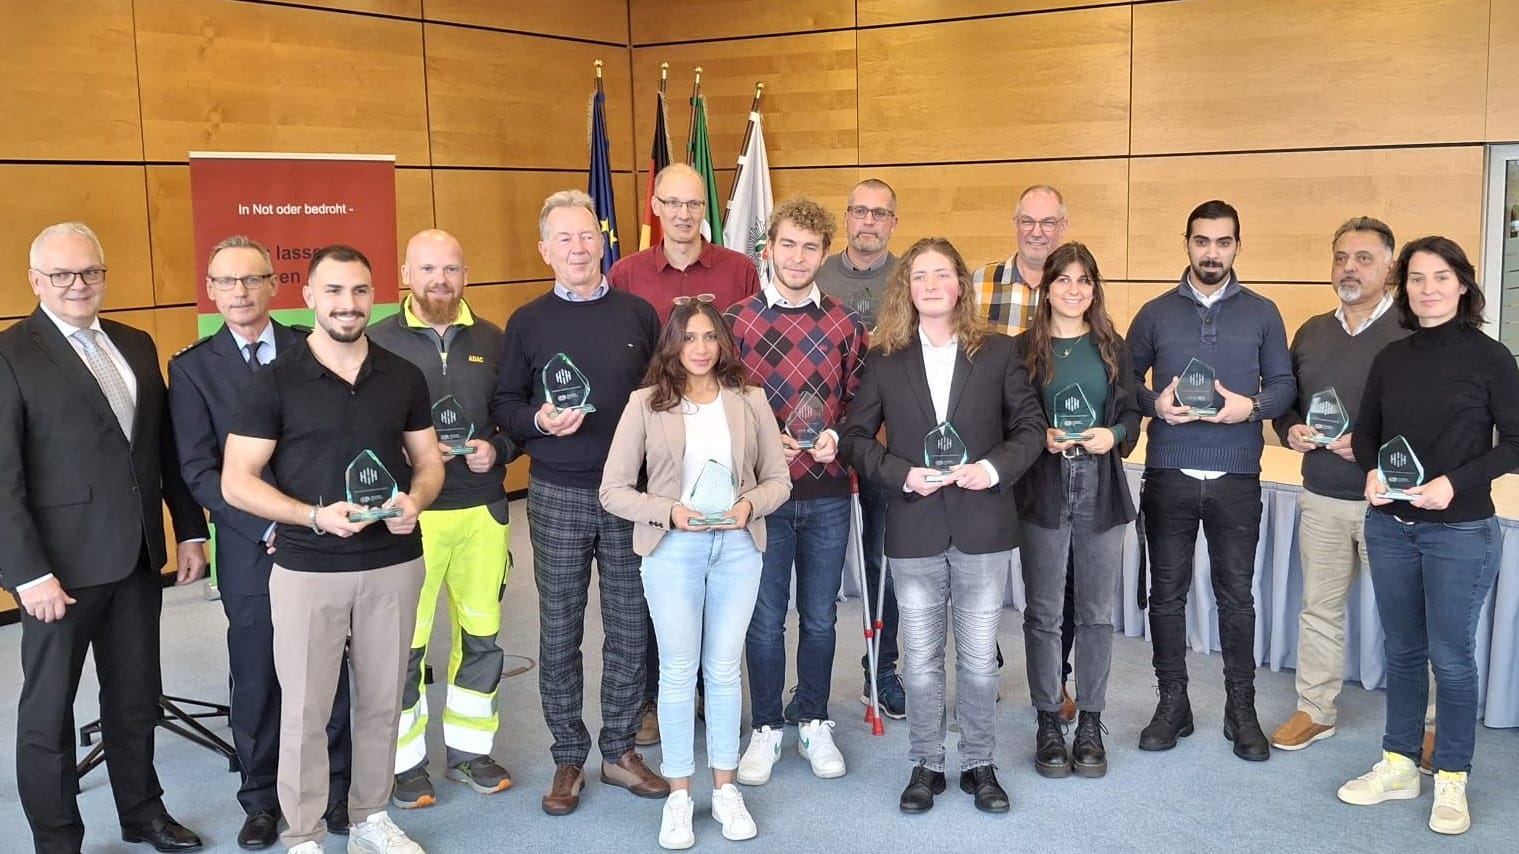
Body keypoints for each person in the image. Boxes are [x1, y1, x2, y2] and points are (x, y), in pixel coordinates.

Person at [222, 244, 444, 854]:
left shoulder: (402, 374)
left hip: (393, 564)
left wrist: (416, 500)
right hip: (306, 567)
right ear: (310, 298)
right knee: (305, 712)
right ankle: (304, 834)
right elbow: (235, 481)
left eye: (361, 291)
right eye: (336, 292)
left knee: (380, 702)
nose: (350, 304)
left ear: (375, 296)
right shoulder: (274, 381)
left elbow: (427, 462)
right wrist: (312, 516)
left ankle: (370, 816)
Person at [1, 222, 209, 854]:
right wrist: (26, 573)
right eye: (61, 275)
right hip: (57, 573)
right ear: (36, 281)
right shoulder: (11, 354)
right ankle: (58, 837)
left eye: (90, 272)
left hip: (139, 559)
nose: (77, 285)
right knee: (48, 716)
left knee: (134, 697)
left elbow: (162, 451)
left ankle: (142, 812)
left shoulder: (136, 343)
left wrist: (191, 532)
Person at [839, 237, 1045, 815]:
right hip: (915, 525)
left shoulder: (1000, 354)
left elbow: (1029, 430)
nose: (931, 285)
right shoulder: (884, 359)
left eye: (942, 274)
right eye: (920, 276)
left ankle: (980, 763)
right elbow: (855, 439)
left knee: (980, 658)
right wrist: (901, 474)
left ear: (961, 285)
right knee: (922, 659)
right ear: (907, 288)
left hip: (983, 523)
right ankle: (926, 764)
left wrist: (989, 468)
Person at [168, 235, 352, 848]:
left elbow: (334, 440)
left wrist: (311, 519)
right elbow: (197, 468)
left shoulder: (312, 348)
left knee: (331, 667)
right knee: (257, 673)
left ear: (276, 285)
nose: (240, 293)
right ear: (212, 291)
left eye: (252, 280)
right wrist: (270, 523)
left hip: (322, 536)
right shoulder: (192, 368)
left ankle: (336, 791)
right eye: (226, 282)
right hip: (250, 545)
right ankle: (261, 799)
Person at [492, 189, 668, 816]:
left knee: (628, 626)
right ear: (545, 250)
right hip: (558, 491)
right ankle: (569, 753)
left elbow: (664, 398)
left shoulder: (639, 314)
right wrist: (537, 419)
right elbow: (504, 406)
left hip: (629, 496)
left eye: (587, 235)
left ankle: (619, 749)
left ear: (603, 242)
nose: (578, 247)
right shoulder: (527, 322)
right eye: (563, 238)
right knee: (560, 627)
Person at [1337, 236, 1519, 836]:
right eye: (1416, 278)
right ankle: (1398, 764)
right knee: (1404, 653)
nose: (1429, 288)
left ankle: (1452, 777)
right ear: (1404, 287)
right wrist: (1370, 472)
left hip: (1460, 529)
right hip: (1390, 527)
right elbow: (1367, 434)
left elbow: (1516, 445)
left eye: (1441, 277)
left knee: (1451, 658)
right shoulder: (1393, 357)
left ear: (1462, 284)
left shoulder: (1493, 359)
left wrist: (1453, 484)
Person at [600, 299, 792, 850]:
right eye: (690, 338)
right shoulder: (645, 404)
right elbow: (612, 491)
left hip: (737, 547)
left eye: (711, 337)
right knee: (680, 674)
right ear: (673, 345)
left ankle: (726, 789)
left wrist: (749, 507)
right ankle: (681, 795)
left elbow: (779, 480)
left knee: (726, 671)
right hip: (673, 551)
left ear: (724, 343)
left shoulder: (750, 400)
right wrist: (669, 512)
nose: (701, 348)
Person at [1129, 199, 1294, 762]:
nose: (1212, 252)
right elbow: (1123, 381)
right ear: (1187, 243)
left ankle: (1239, 708)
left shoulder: (1264, 312)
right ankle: (1173, 703)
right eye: (1202, 241)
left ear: (1237, 246)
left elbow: (1285, 386)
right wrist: (1157, 405)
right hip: (1169, 471)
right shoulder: (1154, 313)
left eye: (1223, 242)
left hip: (1238, 476)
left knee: (1236, 598)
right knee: (1166, 596)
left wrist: (1249, 408)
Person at [368, 229, 517, 808]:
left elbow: (515, 418)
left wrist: (498, 451)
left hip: (482, 511)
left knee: (481, 639)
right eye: (428, 268)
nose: (440, 280)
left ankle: (470, 752)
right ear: (405, 272)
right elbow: (357, 428)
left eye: (451, 269)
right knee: (405, 647)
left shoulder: (494, 339)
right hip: (412, 518)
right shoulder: (378, 340)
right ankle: (405, 766)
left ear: (465, 274)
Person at [726, 198, 867, 785]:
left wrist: (839, 435)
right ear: (769, 249)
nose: (798, 256)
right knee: (762, 620)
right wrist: (759, 447)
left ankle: (812, 717)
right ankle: (766, 727)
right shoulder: (736, 322)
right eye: (788, 244)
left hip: (828, 494)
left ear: (824, 253)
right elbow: (720, 407)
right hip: (762, 498)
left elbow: (861, 404)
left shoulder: (845, 324)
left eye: (811, 247)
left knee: (818, 618)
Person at [1268, 217, 1411, 752]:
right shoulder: (1311, 331)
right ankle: (1315, 709)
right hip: (1324, 494)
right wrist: (1290, 432)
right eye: (1341, 257)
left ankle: (1426, 725)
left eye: (1364, 258)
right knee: (1319, 610)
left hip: (1392, 503)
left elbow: (1430, 417)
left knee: (1408, 618)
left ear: (1390, 268)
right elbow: (1287, 405)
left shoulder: (1413, 330)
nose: (1350, 268)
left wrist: (1374, 444)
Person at [1011, 242, 1140, 779]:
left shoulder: (1112, 346)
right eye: (1063, 279)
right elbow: (1012, 419)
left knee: (1095, 614)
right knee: (1042, 613)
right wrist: (1036, 436)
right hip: (1041, 485)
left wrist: (1113, 434)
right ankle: (1047, 715)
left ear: (1095, 288)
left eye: (1084, 280)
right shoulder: (1022, 351)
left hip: (1099, 485)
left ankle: (1089, 719)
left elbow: (1132, 412)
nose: (1074, 290)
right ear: (1047, 287)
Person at [972, 183, 1079, 719]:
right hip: (995, 450)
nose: (1038, 231)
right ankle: (983, 664)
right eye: (1028, 221)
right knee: (984, 568)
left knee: (1055, 579)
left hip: (1057, 457)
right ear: (1014, 223)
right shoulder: (981, 282)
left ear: (1063, 227)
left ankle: (1054, 679)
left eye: (1049, 222)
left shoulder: (1076, 285)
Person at [814, 178, 905, 720]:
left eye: (880, 213)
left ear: (894, 221)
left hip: (885, 448)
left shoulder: (907, 278)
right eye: (860, 211)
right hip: (815, 450)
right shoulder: (815, 274)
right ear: (845, 217)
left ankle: (882, 668)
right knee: (813, 570)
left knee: (884, 561)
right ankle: (807, 690)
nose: (869, 221)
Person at [610, 163, 761, 325]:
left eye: (694, 204)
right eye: (673, 203)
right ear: (655, 206)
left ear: (704, 208)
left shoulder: (741, 271)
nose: (684, 214)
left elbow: (753, 343)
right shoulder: (624, 275)